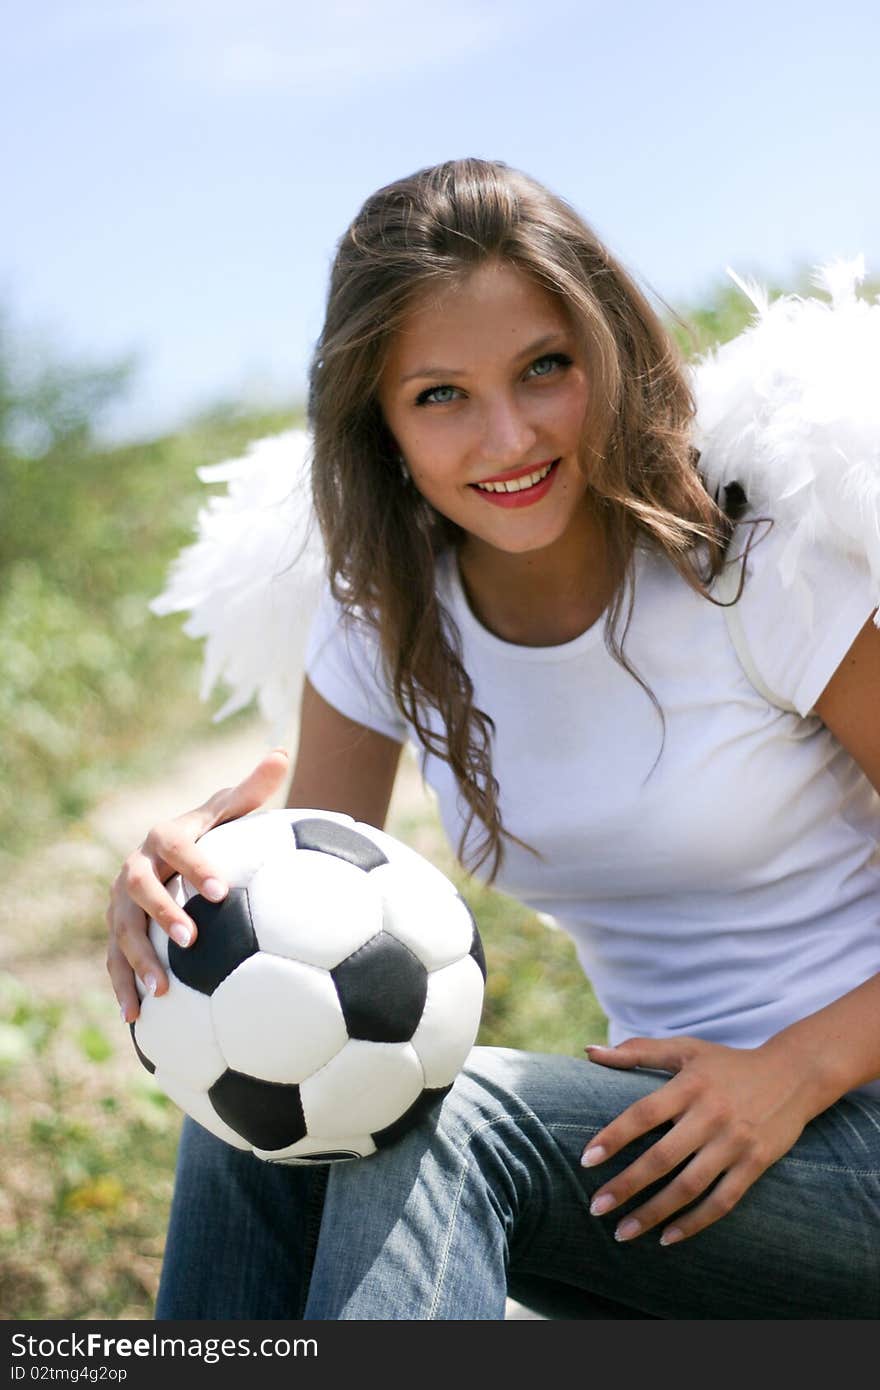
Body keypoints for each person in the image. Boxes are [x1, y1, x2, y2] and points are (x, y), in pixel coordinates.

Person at [105, 158, 880, 1320]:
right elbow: (289, 919)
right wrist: (185, 901)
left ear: (605, 353)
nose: (506, 435)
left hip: (845, 1129)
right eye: (440, 395)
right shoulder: (386, 617)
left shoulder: (753, 570)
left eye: (543, 369)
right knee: (257, 1105)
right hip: (674, 1150)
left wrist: (794, 1070)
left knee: (451, 1123)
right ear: (381, 424)